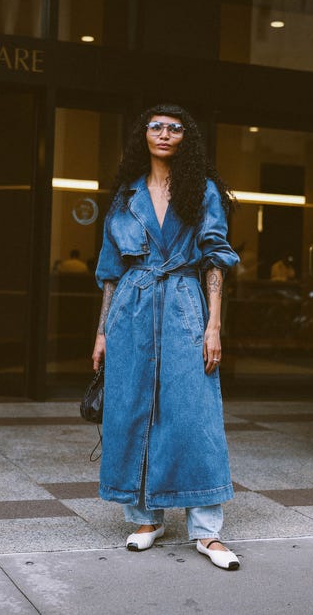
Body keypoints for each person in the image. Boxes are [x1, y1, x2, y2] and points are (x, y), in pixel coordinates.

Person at [91, 104, 241, 571]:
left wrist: (213, 325)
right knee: (131, 408)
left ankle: (206, 530)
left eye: (175, 128)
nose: (164, 133)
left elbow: (215, 258)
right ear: (143, 135)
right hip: (130, 310)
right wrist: (101, 332)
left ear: (186, 139)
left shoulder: (203, 191)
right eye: (156, 126)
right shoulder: (125, 197)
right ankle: (145, 519)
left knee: (194, 414)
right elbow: (111, 273)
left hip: (182, 304)